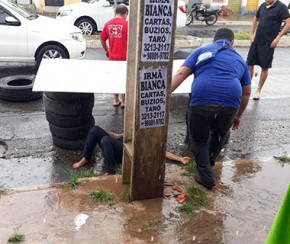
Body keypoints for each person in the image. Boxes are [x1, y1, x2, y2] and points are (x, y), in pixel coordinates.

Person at [170, 28, 251, 190]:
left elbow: (181, 73)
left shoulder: (201, 50)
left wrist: (162, 96)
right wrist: (238, 115)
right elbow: (247, 93)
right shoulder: (239, 59)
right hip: (231, 100)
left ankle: (206, 175)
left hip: (202, 98)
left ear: (214, 40)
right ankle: (209, 163)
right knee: (220, 134)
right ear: (232, 42)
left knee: (198, 139)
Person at [72, 126, 192, 173]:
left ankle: (110, 171)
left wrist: (179, 159)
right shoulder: (137, 126)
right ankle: (85, 158)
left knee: (105, 141)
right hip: (119, 141)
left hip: (123, 152)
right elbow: (122, 135)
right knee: (94, 130)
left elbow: (161, 152)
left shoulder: (147, 138)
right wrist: (115, 134)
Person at [247, 0, 290, 100]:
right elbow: (255, 19)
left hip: (269, 43)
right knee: (249, 64)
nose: (266, 0)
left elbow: (288, 23)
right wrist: (251, 34)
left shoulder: (281, 7)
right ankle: (247, 87)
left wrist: (278, 38)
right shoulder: (262, 6)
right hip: (257, 41)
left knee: (264, 66)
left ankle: (258, 90)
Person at [100, 4, 128, 108]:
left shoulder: (108, 24)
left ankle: (116, 100)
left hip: (113, 57)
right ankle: (124, 101)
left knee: (115, 79)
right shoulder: (127, 25)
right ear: (125, 14)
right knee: (124, 79)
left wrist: (107, 50)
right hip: (125, 57)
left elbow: (102, 39)